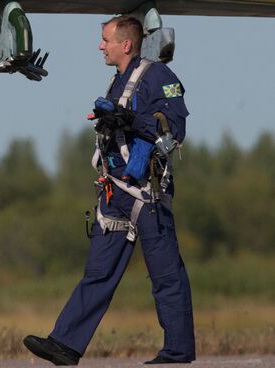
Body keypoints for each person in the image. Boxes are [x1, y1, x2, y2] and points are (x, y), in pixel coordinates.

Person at [23, 16, 195, 365]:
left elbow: (174, 129)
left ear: (126, 44)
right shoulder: (118, 82)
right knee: (98, 274)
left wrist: (133, 120)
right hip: (115, 195)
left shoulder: (160, 77)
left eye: (105, 40)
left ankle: (177, 352)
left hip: (148, 195)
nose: (100, 46)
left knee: (166, 275)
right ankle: (65, 345)